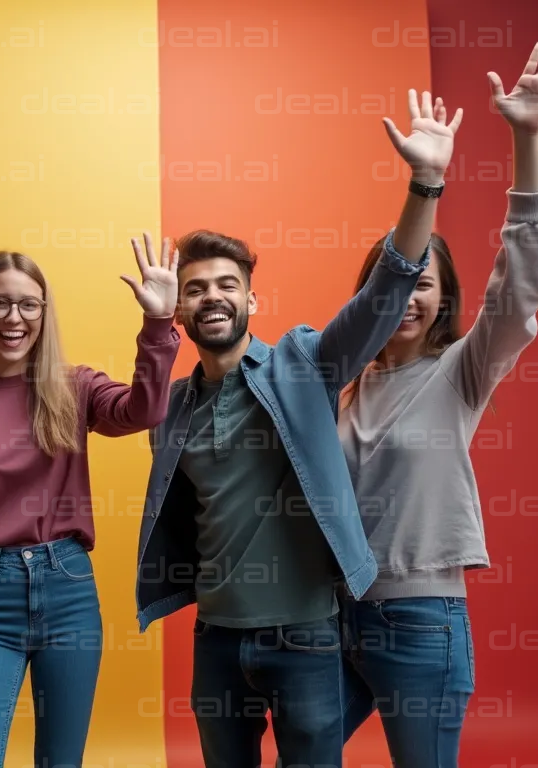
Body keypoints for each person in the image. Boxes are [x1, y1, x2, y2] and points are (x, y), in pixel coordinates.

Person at [135, 87, 463, 766]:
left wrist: (424, 184)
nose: (212, 297)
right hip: (218, 639)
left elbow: (381, 297)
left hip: (307, 635)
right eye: (195, 289)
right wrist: (151, 325)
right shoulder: (170, 409)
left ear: (253, 298)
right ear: (181, 308)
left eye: (227, 284)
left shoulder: (305, 364)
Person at [338, 40, 538, 766]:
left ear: (444, 298)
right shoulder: (347, 384)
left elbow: (521, 283)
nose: (406, 299)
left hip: (421, 621)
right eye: (392, 284)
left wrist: (526, 137)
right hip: (338, 618)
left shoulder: (462, 370)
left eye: (423, 285)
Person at [0, 241, 181, 766]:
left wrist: (158, 323)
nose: (15, 317)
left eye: (29, 304)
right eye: (0, 303)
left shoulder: (74, 386)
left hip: (68, 591)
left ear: (44, 313)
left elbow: (142, 411)